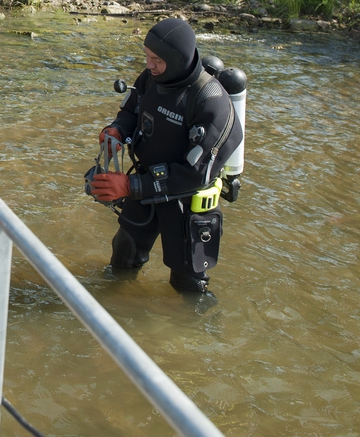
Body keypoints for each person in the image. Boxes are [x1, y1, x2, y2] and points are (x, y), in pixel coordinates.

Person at [86, 18, 243, 294]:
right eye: (147, 56)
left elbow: (195, 174)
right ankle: (112, 307)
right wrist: (117, 130)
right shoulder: (152, 78)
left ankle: (197, 322)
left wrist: (130, 185)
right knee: (123, 258)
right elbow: (131, 111)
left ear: (178, 60)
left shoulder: (212, 104)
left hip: (186, 201)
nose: (149, 65)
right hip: (145, 187)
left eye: (157, 60)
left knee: (189, 287)